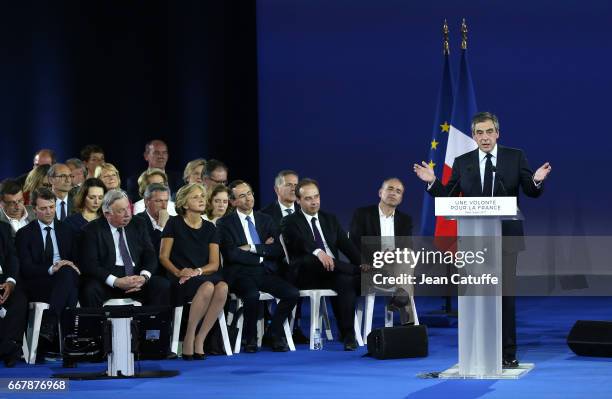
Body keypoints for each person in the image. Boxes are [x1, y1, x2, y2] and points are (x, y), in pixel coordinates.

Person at [413, 111, 552, 368]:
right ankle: (476, 348)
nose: (485, 137)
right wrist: (433, 182)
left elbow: (531, 192)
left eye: (489, 132)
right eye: (479, 132)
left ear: (498, 133)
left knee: (504, 296)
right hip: (473, 240)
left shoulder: (515, 156)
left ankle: (507, 352)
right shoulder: (462, 161)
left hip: (506, 239)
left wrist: (536, 180)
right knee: (475, 295)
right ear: (474, 135)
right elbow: (448, 196)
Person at [280, 178, 366, 351]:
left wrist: (363, 263)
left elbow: (346, 246)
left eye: (316, 197)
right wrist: (319, 252)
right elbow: (301, 242)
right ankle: (356, 271)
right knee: (317, 260)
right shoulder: (290, 221)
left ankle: (348, 334)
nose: (314, 202)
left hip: (334, 273)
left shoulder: (329, 219)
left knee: (346, 281)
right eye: (308, 198)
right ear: (298, 201)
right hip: (307, 274)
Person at [218, 180, 298, 353]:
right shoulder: (225, 223)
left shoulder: (265, 219)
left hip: (265, 272)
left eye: (249, 193)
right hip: (240, 274)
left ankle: (273, 333)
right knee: (251, 295)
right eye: (242, 196)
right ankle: (250, 338)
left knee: (292, 293)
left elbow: (277, 249)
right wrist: (262, 254)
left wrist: (253, 248)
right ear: (233, 202)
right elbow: (232, 254)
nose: (248, 199)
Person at [159, 183, 227, 359]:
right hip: (179, 277)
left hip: (202, 274)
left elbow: (214, 264)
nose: (201, 200)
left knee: (222, 287)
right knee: (207, 287)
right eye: (196, 197)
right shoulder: (174, 223)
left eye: (203, 197)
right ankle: (189, 336)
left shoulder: (210, 228)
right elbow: (163, 257)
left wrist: (196, 271)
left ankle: (200, 338)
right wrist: (179, 273)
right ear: (184, 203)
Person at [79, 189, 170, 307]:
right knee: (90, 289)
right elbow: (90, 264)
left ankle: (152, 325)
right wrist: (116, 281)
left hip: (136, 276)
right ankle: (96, 325)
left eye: (128, 208)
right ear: (107, 213)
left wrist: (144, 277)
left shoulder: (138, 223)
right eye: (121, 211)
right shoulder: (91, 230)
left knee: (162, 285)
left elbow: (149, 254)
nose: (127, 214)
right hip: (109, 280)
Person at [15, 188, 80, 345]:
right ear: (34, 209)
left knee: (67, 273)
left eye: (51, 207)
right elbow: (26, 268)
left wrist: (66, 265)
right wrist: (52, 268)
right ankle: (68, 343)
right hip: (38, 283)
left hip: (63, 279)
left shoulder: (68, 230)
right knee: (69, 284)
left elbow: (77, 261)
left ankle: (50, 326)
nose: (49, 212)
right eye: (43, 208)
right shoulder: (24, 233)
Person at [349, 177, 415, 323]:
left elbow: (407, 246)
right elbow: (353, 243)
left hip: (395, 265)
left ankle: (400, 296)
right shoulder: (362, 214)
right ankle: (408, 322)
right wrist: (363, 262)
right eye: (390, 189)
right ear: (380, 192)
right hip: (370, 266)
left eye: (398, 191)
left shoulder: (405, 219)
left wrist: (392, 255)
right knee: (406, 279)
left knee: (407, 256)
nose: (393, 193)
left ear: (401, 198)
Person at [0, 222, 27, 367]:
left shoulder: (3, 227)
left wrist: (10, 282)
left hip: (4, 280)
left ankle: (10, 350)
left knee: (19, 300)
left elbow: (12, 257)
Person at [134, 183, 170, 275]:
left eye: (166, 201)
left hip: (170, 271)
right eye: (158, 201)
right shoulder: (136, 221)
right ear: (146, 201)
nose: (164, 206)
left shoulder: (173, 221)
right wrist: (160, 227)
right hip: (147, 272)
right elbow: (147, 251)